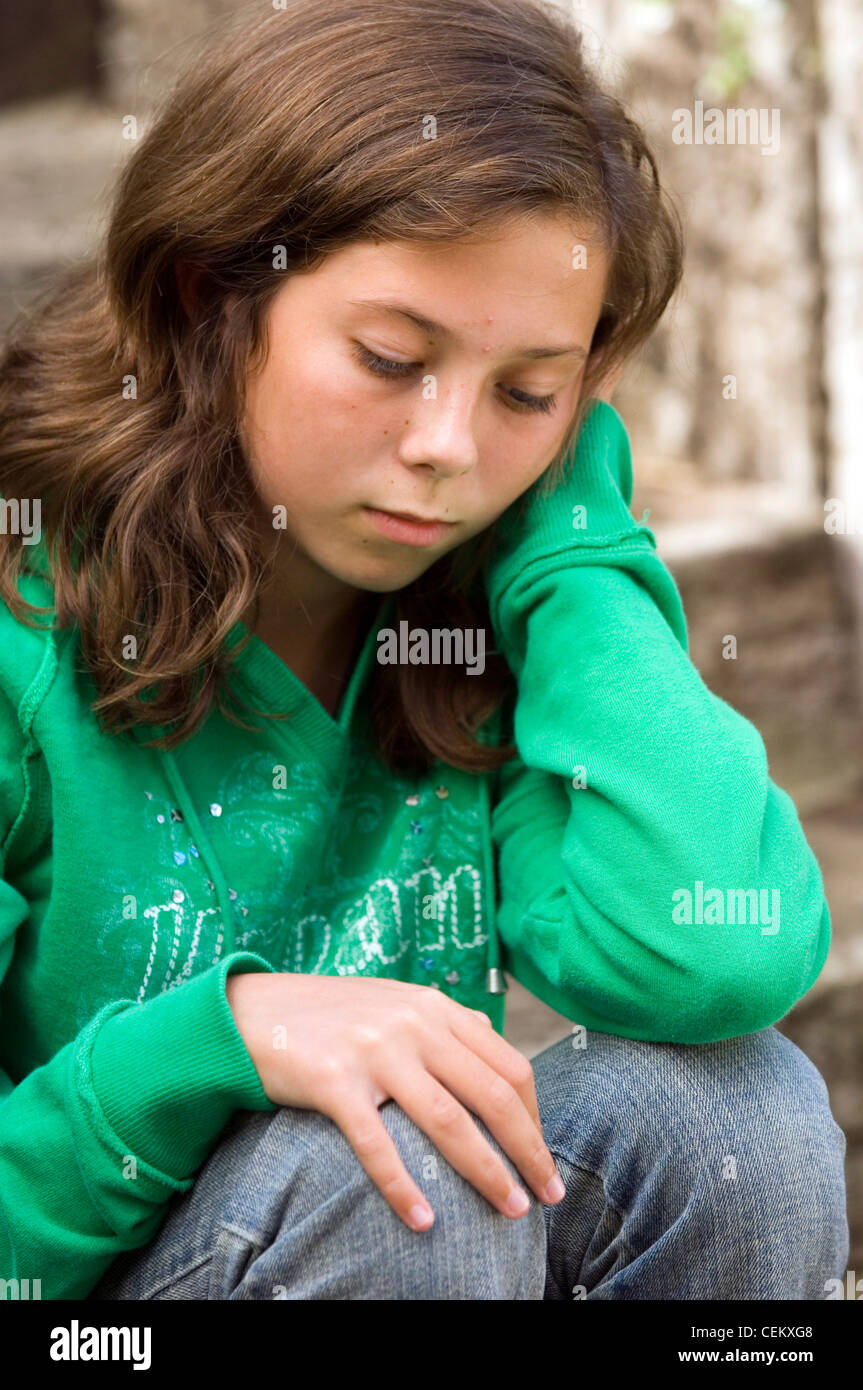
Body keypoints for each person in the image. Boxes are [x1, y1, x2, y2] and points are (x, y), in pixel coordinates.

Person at [0, 0, 847, 1301]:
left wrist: (574, 540)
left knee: (739, 1112)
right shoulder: (21, 632)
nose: (450, 446)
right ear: (207, 296)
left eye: (525, 392)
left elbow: (707, 950)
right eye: (392, 357)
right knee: (403, 1169)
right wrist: (217, 1041)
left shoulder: (480, 609)